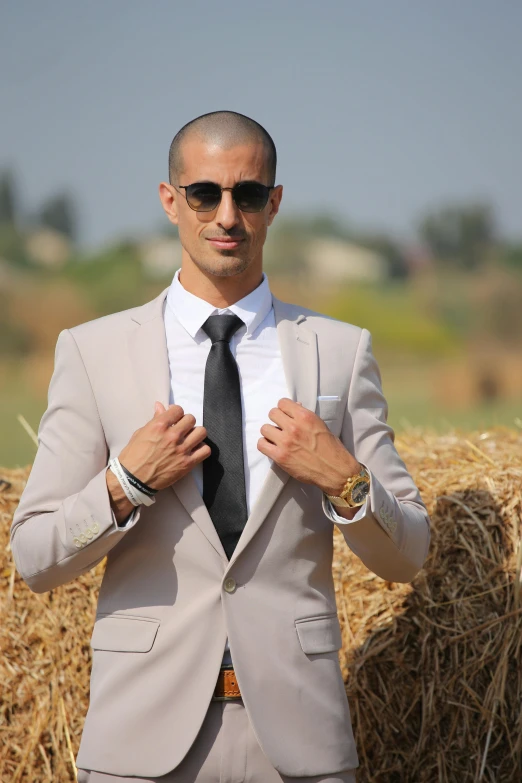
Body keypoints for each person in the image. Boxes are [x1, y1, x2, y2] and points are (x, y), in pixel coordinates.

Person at [11, 111, 430, 783]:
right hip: (139, 742)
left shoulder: (341, 352)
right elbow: (34, 557)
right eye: (205, 193)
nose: (227, 215)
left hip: (299, 743)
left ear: (275, 204)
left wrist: (346, 479)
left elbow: (409, 554)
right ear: (170, 200)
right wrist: (125, 483)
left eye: (249, 194)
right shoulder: (92, 352)